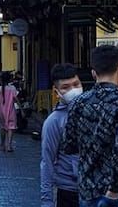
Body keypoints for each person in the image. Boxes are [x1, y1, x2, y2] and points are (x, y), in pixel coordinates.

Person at [64, 45, 118, 207]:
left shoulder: (78, 103)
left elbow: (68, 145)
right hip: (116, 191)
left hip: (87, 188)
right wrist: (114, 189)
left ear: (93, 73)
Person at [40, 63, 83, 207]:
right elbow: (47, 162)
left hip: (95, 191)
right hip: (69, 191)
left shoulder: (94, 112)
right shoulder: (53, 122)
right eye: (66, 87)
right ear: (56, 91)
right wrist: (47, 201)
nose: (73, 90)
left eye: (76, 84)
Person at [0, 71, 18, 152]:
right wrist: (21, 109)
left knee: (3, 127)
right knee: (11, 127)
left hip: (1, 111)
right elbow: (16, 99)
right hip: (11, 111)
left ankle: (2, 144)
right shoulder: (13, 88)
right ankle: (9, 146)